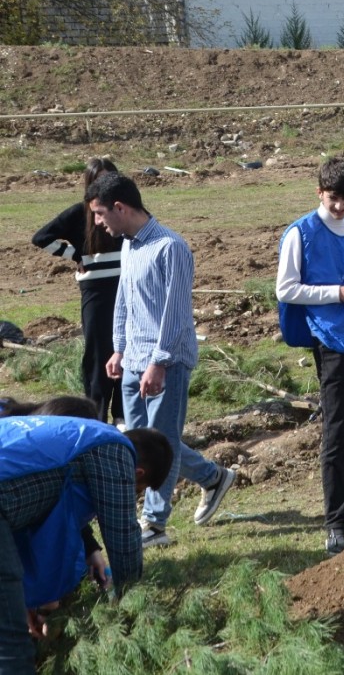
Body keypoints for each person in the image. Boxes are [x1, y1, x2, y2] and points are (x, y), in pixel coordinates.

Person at [85, 173, 237, 549]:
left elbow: (175, 314)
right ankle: (214, 478)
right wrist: (119, 348)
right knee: (144, 445)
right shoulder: (129, 246)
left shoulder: (172, 247)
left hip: (164, 362)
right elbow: (124, 301)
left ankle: (154, 524)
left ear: (120, 207)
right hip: (134, 359)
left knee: (162, 441)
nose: (98, 223)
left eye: (101, 214)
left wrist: (160, 361)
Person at [0, 415, 172, 674]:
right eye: (136, 490)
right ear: (137, 473)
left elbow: (46, 494)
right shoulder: (117, 454)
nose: (131, 494)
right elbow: (123, 536)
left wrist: (90, 549)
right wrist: (131, 608)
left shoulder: (83, 435)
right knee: (13, 645)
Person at [276, 158, 344, 556]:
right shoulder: (300, 232)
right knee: (338, 431)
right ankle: (334, 521)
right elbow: (287, 289)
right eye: (333, 198)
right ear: (320, 193)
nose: (339, 206)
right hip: (331, 339)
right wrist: (338, 294)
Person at [30, 158, 125, 425]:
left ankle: (122, 414)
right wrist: (74, 254)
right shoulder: (79, 213)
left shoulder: (123, 210)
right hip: (95, 291)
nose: (104, 186)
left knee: (126, 348)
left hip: (125, 287)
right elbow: (41, 238)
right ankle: (96, 416)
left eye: (110, 179)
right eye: (99, 180)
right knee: (98, 352)